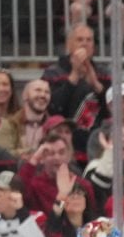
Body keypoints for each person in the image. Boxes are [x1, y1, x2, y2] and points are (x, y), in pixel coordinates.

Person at [43, 24, 111, 158]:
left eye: (89, 40)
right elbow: (53, 108)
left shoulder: (104, 74)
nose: (85, 44)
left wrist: (96, 86)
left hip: (95, 147)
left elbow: (111, 111)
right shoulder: (53, 73)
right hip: (63, 147)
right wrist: (73, 76)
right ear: (69, 44)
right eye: (80, 39)